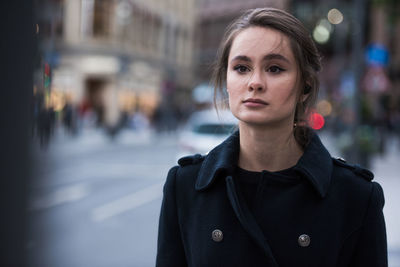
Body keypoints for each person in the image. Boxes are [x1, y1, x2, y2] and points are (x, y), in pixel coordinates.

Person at [156, 7, 387, 267]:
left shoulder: (355, 196)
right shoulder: (185, 186)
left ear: (305, 86)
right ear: (226, 79)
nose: (255, 82)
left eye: (275, 68)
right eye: (241, 68)